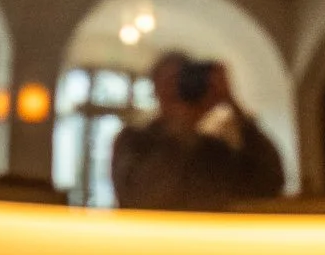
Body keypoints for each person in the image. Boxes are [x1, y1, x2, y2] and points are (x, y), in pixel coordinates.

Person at [110, 53, 286, 211]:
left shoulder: (212, 150)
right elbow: (139, 199)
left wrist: (232, 105)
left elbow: (269, 183)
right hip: (149, 245)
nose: (175, 90)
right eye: (168, 82)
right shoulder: (133, 141)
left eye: (181, 81)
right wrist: (180, 130)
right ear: (155, 89)